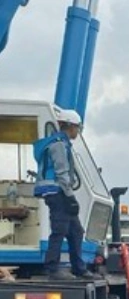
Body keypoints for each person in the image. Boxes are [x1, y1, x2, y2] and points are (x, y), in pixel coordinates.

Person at [33, 107, 96, 280]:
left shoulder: (60, 143)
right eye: (77, 128)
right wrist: (70, 197)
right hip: (57, 192)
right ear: (70, 126)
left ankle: (78, 268)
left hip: (57, 192)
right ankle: (53, 268)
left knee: (76, 230)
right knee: (59, 229)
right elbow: (62, 173)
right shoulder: (59, 145)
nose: (78, 131)